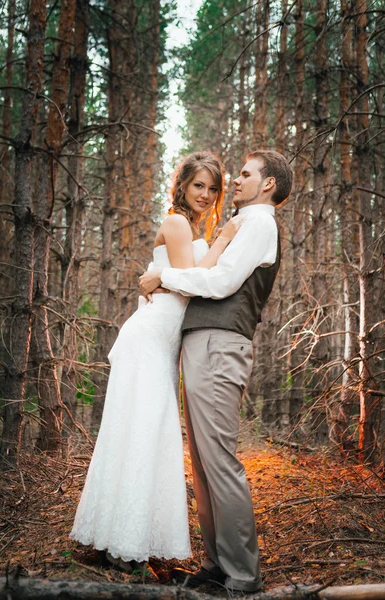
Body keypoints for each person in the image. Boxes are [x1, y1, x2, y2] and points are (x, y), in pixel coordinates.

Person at [70, 151, 244, 571]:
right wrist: (223, 240)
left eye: (212, 188)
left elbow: (179, 278)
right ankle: (119, 544)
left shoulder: (190, 225)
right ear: (182, 184)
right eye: (198, 185)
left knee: (146, 430)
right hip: (148, 340)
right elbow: (194, 280)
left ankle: (127, 540)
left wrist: (161, 276)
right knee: (140, 430)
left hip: (163, 342)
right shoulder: (178, 222)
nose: (205, 194)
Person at [139, 150, 293, 593]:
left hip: (220, 343)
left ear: (267, 184)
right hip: (204, 342)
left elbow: (223, 282)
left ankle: (242, 576)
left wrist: (163, 279)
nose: (236, 181)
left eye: (246, 174)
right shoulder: (245, 223)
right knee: (205, 464)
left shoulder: (260, 222)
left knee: (220, 461)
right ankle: (217, 565)